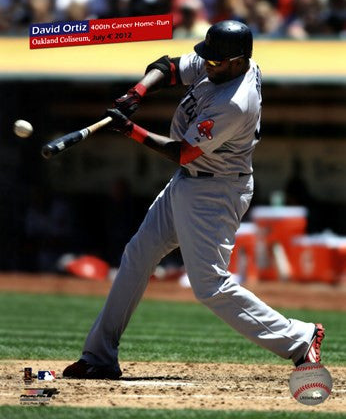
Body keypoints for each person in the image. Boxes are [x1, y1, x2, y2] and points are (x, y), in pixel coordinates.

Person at [63, 20, 324, 380]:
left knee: (209, 285)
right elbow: (168, 66)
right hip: (188, 184)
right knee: (138, 255)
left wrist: (130, 130)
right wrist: (137, 92)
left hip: (215, 191)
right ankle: (99, 356)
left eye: (216, 63)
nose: (208, 65)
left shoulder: (236, 101)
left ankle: (299, 338)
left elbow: (183, 152)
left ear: (238, 61)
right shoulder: (220, 61)